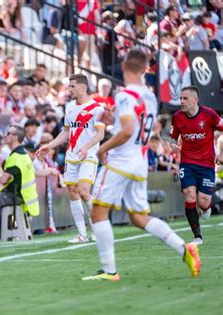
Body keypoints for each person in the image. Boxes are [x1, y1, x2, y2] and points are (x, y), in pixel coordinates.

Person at [82, 49, 200, 281]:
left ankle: (109, 271)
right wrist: (113, 120)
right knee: (138, 218)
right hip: (139, 160)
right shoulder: (150, 96)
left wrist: (102, 148)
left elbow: (127, 130)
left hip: (121, 161)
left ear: (125, 67)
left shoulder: (124, 94)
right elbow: (137, 125)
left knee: (98, 211)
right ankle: (186, 249)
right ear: (145, 69)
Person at [37, 74, 105, 243]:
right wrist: (50, 146)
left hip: (88, 155)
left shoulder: (97, 108)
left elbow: (100, 134)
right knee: (73, 192)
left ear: (83, 87)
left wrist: (86, 146)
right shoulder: (69, 107)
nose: (70, 90)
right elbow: (66, 132)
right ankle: (82, 234)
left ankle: (97, 227)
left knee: (83, 191)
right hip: (71, 155)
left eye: (73, 86)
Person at [170, 86, 223, 245]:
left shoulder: (209, 115)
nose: (181, 101)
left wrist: (221, 153)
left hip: (207, 165)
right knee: (189, 195)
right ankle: (197, 236)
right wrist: (173, 145)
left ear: (195, 100)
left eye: (185, 98)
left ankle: (206, 209)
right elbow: (173, 138)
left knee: (203, 202)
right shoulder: (177, 117)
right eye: (180, 98)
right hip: (187, 163)